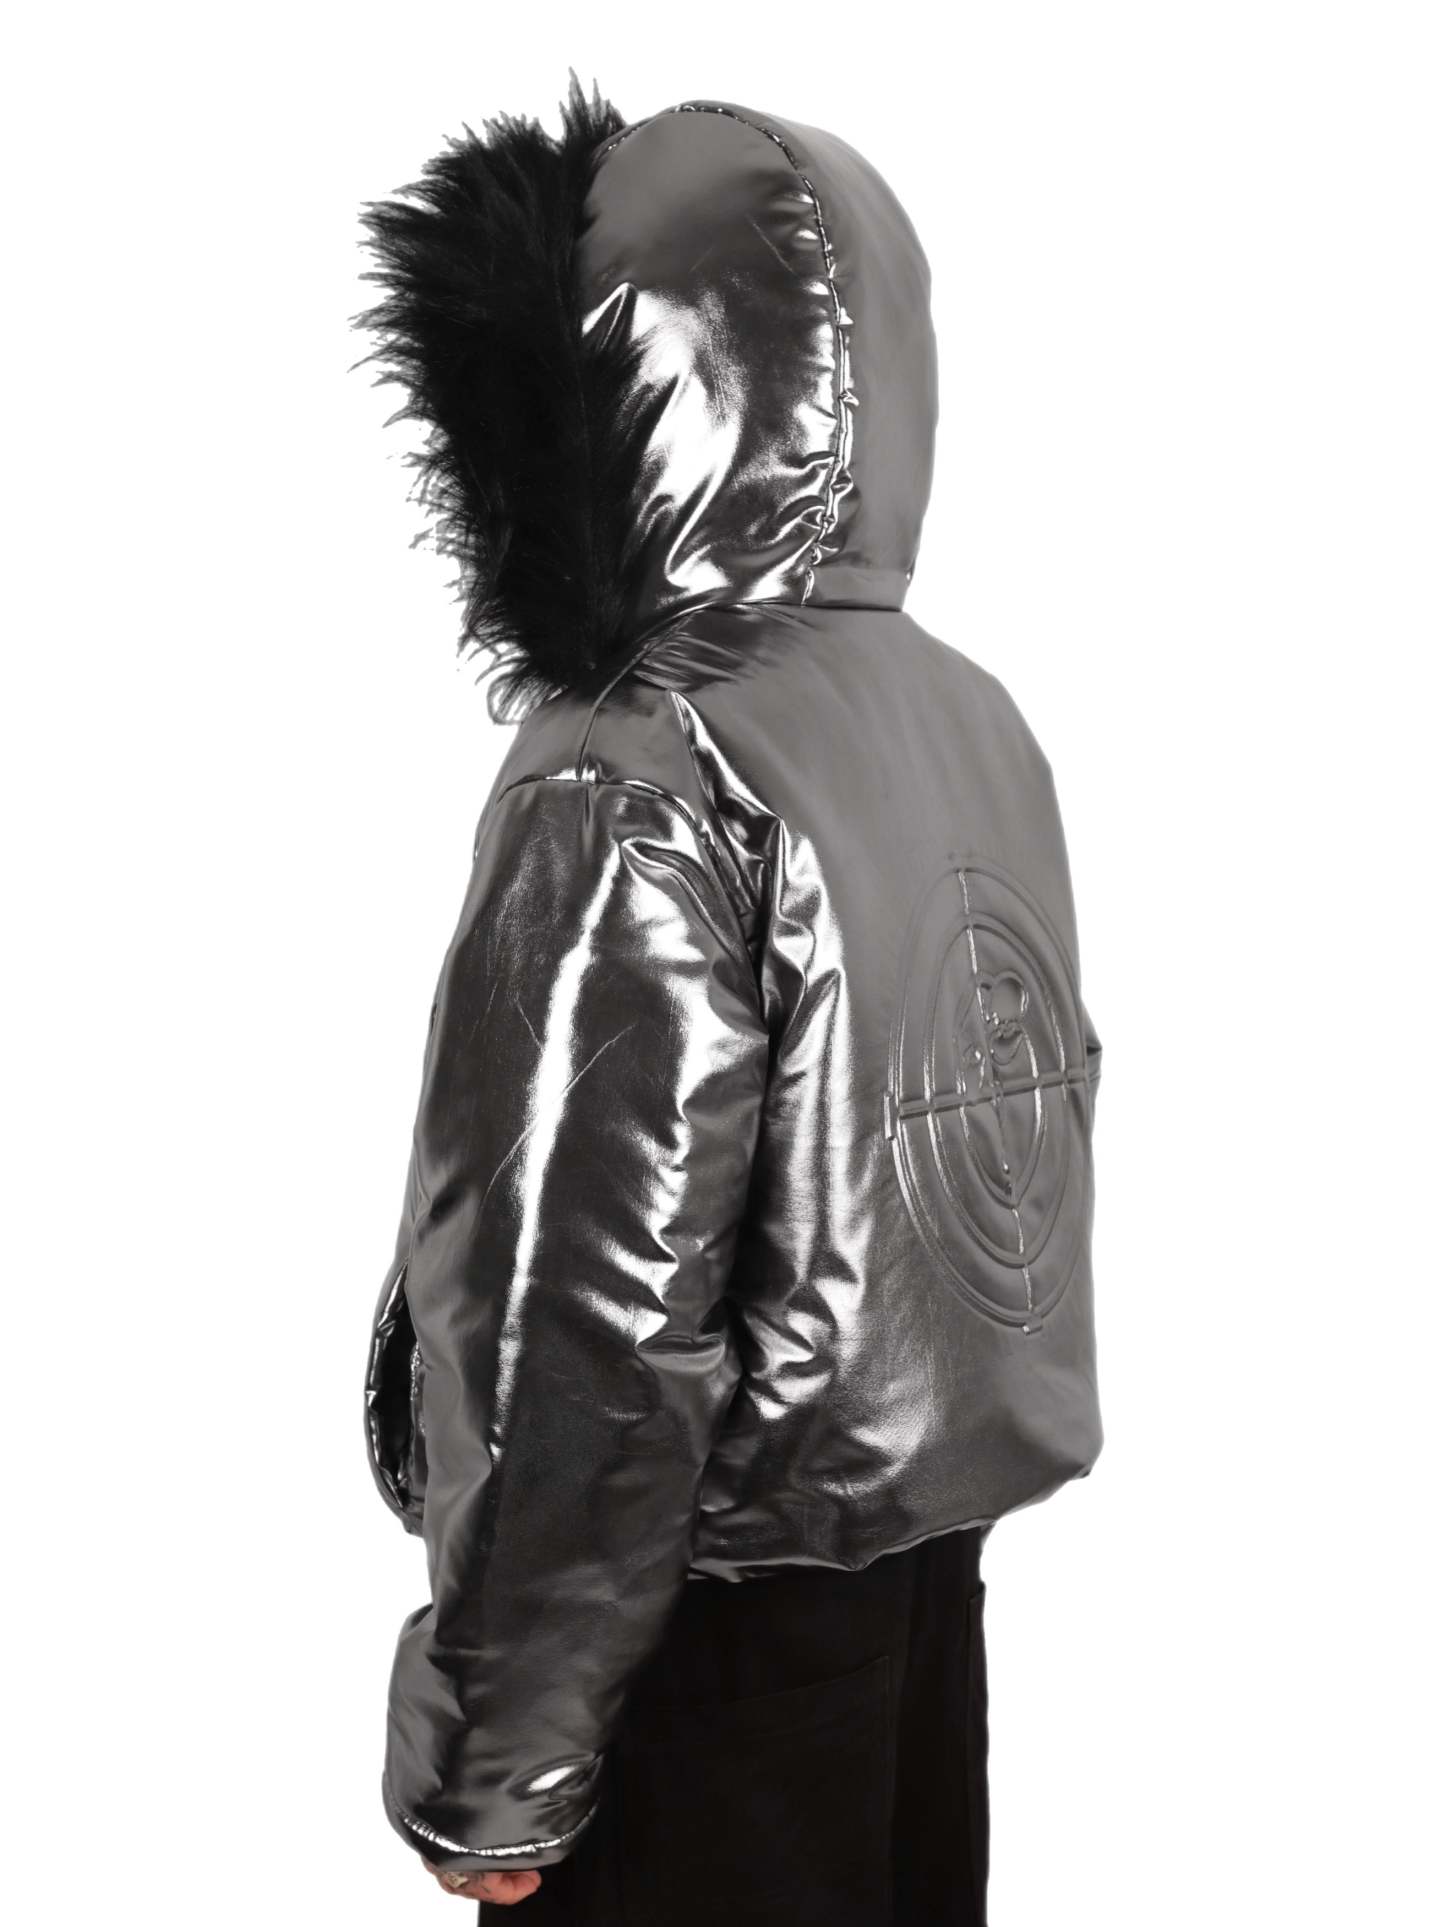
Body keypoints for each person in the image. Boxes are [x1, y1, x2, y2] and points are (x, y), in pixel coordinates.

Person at [358, 80, 1103, 1925]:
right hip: (914, 1598)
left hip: (692, 1657)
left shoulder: (634, 762)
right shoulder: (966, 718)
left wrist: (503, 1766)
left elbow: (580, 1316)